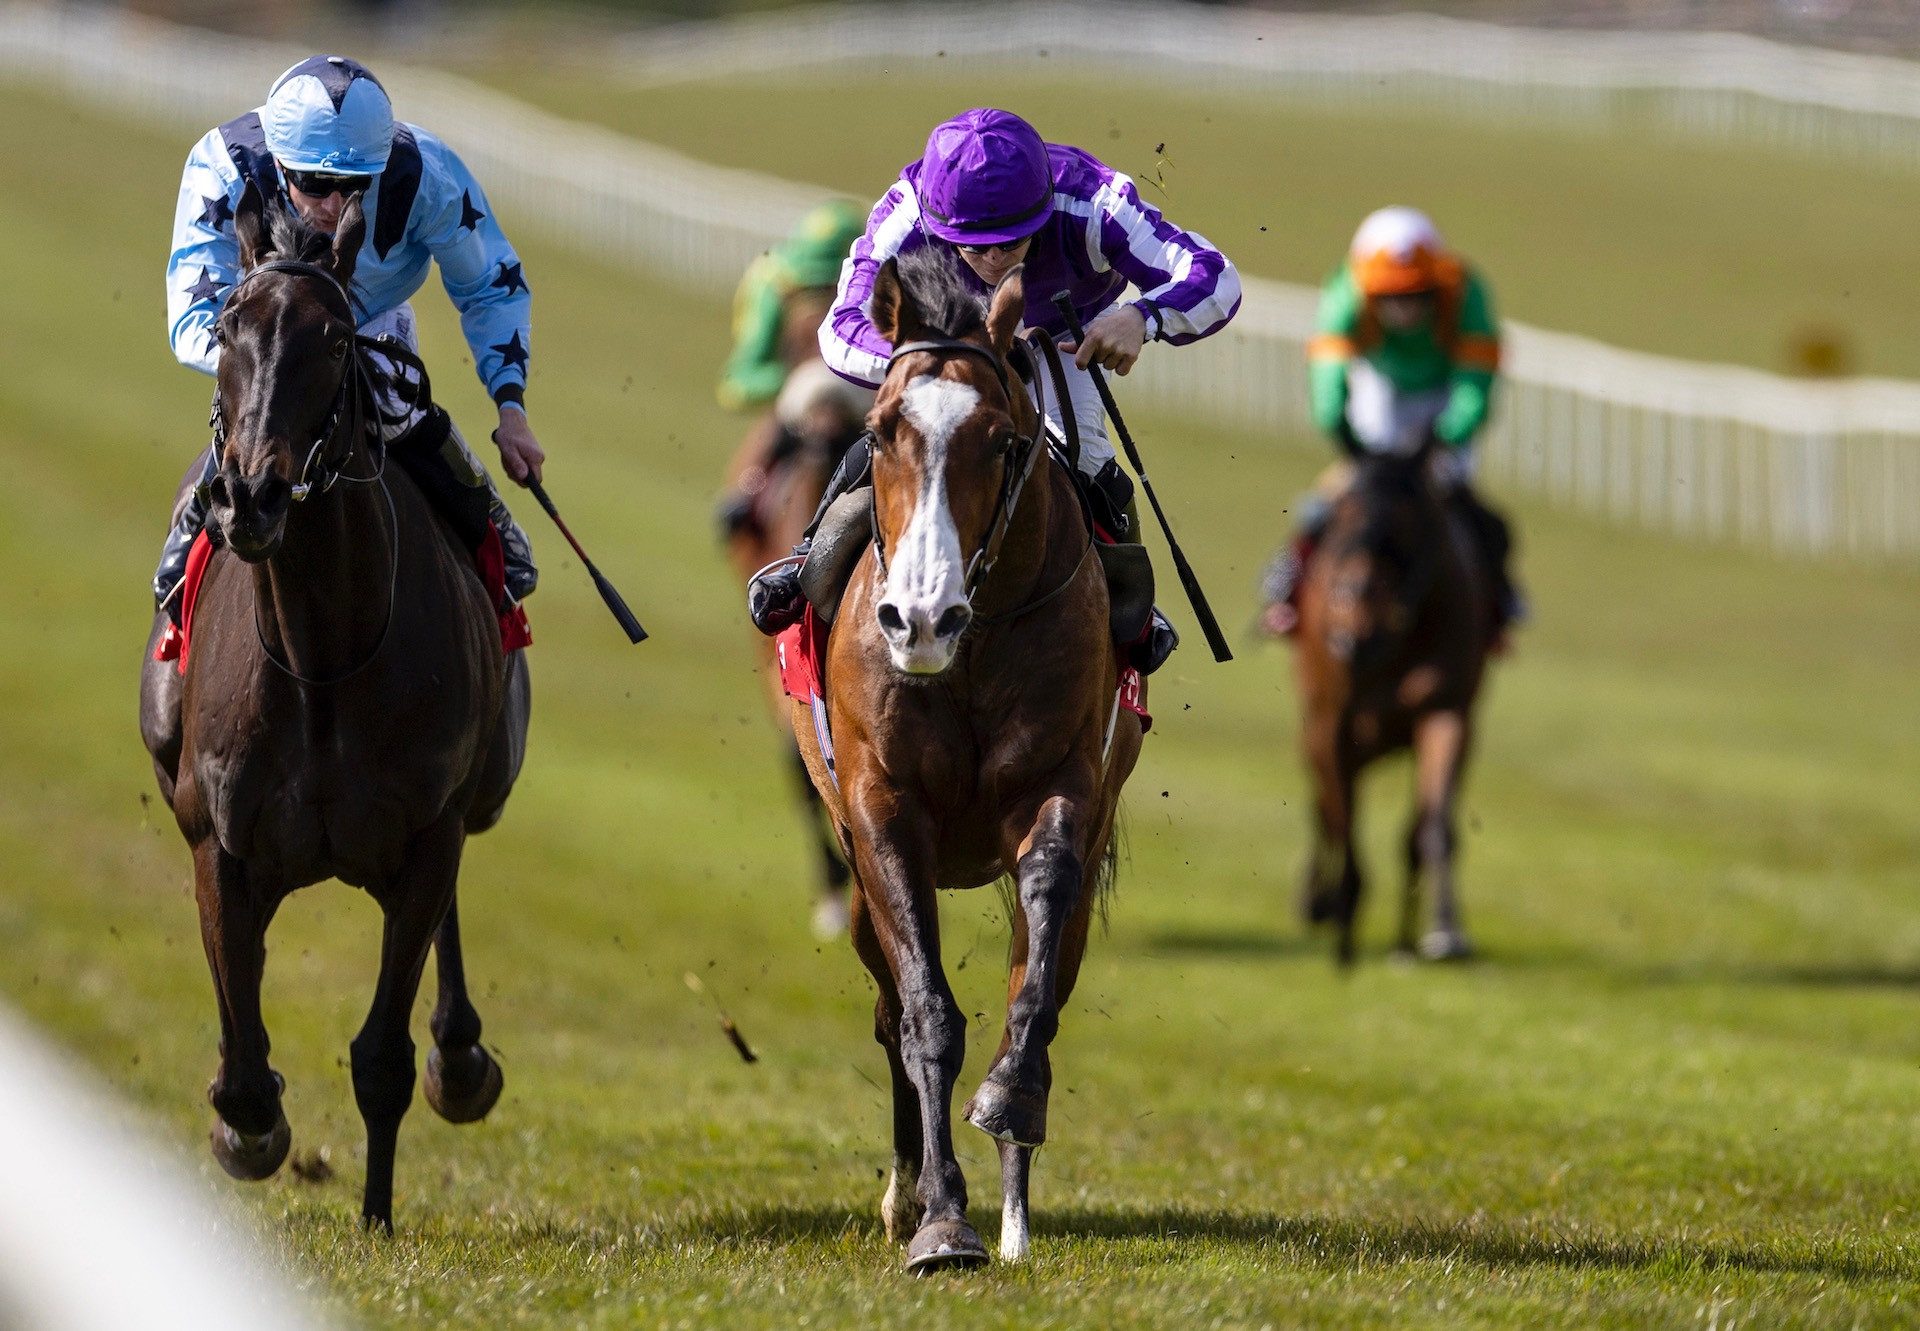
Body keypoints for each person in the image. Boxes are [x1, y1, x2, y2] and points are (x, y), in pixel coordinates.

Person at [745, 107, 1242, 675]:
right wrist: (922, 361)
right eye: (972, 247)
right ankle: (812, 553)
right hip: (939, 348)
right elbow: (839, 328)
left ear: (1044, 207)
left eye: (1008, 244)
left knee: (1085, 456)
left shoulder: (1097, 203)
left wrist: (1142, 318)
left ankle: (1126, 594)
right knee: (893, 440)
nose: (991, 261)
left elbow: (1213, 274)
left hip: (1061, 343)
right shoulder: (908, 212)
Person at [155, 54, 540, 623]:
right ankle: (195, 522)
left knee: (393, 402)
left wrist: (510, 407)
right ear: (281, 163)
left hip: (370, 319)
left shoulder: (427, 176)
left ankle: (486, 514)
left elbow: (490, 284)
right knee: (260, 416)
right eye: (315, 183)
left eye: (355, 185)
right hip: (262, 331)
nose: (334, 205)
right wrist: (266, 359)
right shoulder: (223, 165)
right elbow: (193, 312)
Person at [1260, 206, 1523, 640]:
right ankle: (1288, 583)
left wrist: (1445, 437)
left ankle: (1497, 602)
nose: (1402, 308)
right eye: (1388, 296)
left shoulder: (1466, 290)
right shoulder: (1345, 290)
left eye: (1415, 294)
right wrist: (1347, 439)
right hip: (1378, 387)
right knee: (1346, 488)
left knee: (1456, 489)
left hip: (1444, 392)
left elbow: (1475, 386)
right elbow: (1328, 383)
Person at [715, 199, 871, 539]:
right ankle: (747, 497)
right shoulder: (775, 292)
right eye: (814, 286)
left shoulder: (882, 292)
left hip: (865, 406)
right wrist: (792, 379)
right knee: (779, 434)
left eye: (830, 285)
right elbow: (737, 383)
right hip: (797, 408)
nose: (823, 296)